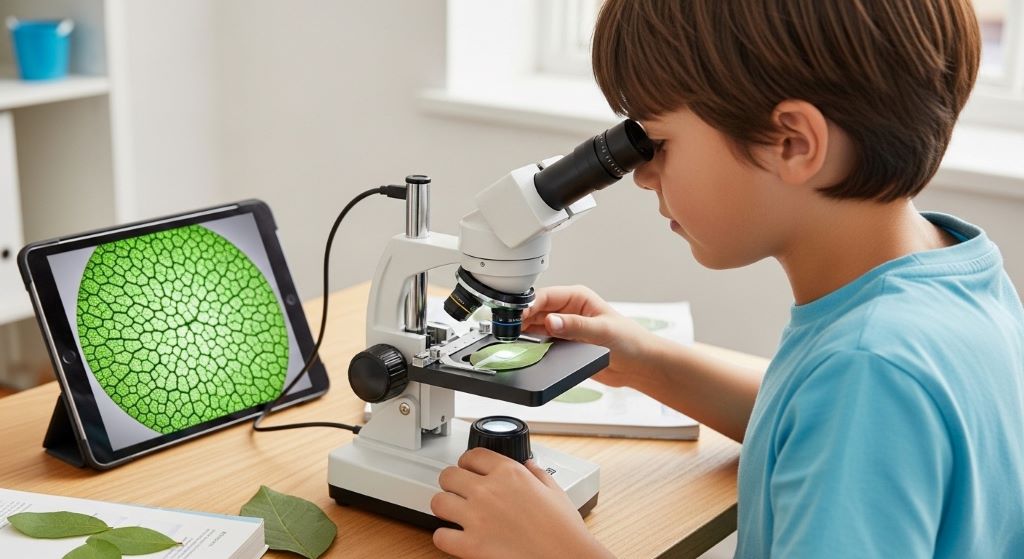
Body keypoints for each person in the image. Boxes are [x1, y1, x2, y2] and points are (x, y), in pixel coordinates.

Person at [429, 1, 1024, 557]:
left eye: (658, 143)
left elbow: (852, 403)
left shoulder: (867, 369)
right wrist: (645, 361)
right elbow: (813, 424)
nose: (642, 176)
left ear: (792, 143)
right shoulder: (957, 278)